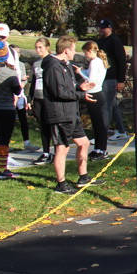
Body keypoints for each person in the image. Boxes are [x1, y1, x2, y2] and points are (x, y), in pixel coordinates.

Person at [42, 35, 99, 193]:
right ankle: (61, 184)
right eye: (73, 49)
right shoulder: (53, 67)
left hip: (72, 113)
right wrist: (81, 95)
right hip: (60, 114)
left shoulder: (66, 66)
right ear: (66, 50)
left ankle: (83, 177)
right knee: (62, 149)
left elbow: (69, 87)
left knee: (84, 143)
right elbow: (59, 92)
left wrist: (81, 87)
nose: (75, 53)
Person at [0, 23, 36, 152]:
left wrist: (18, 94)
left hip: (7, 96)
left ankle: (3, 159)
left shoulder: (11, 52)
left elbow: (16, 73)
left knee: (4, 132)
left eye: (3, 37)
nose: (0, 39)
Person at [0, 40, 22, 179]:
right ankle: (2, 169)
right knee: (3, 141)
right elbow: (17, 91)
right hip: (6, 110)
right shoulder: (11, 73)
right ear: (7, 56)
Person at [95, 19, 129, 140]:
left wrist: (121, 80)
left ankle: (102, 134)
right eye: (100, 27)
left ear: (110, 28)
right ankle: (121, 130)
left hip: (111, 77)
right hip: (102, 76)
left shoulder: (115, 41)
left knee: (105, 106)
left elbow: (121, 61)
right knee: (112, 105)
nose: (101, 30)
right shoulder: (99, 41)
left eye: (103, 28)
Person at [80, 41, 110, 161]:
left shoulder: (94, 62)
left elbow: (90, 80)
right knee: (97, 125)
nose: (85, 55)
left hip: (94, 94)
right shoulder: (98, 61)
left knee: (99, 124)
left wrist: (80, 73)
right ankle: (98, 149)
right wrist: (82, 71)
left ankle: (102, 150)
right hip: (97, 93)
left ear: (90, 51)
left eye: (85, 53)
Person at [27, 38, 54, 165]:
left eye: (40, 47)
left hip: (49, 98)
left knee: (51, 125)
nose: (38, 50)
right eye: (36, 47)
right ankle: (46, 152)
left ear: (47, 47)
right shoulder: (36, 63)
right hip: (38, 98)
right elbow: (33, 82)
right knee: (42, 126)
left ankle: (56, 152)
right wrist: (30, 98)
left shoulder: (52, 61)